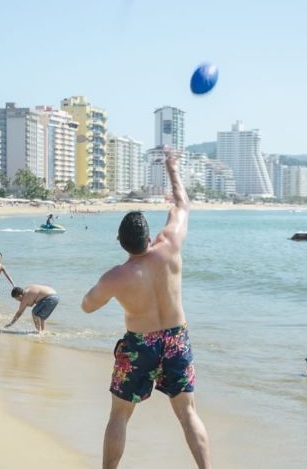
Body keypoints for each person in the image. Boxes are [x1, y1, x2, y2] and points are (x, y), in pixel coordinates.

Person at [80, 147, 211, 469]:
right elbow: (182, 204)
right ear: (149, 237)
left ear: (120, 241)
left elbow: (87, 306)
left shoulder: (117, 276)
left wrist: (105, 289)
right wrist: (171, 166)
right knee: (187, 413)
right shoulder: (169, 247)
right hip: (176, 339)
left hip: (140, 345)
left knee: (120, 415)